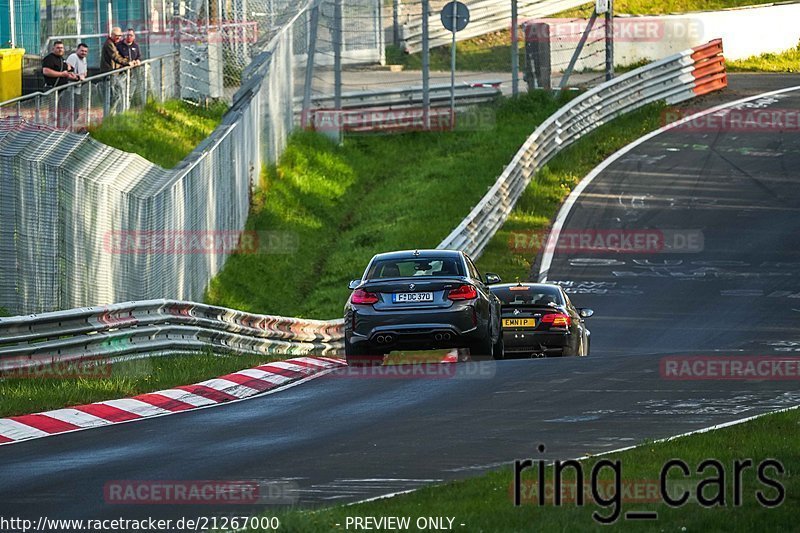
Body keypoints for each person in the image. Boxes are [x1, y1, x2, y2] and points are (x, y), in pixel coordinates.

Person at [100, 28, 131, 114]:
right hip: (109, 73)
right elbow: (115, 56)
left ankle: (114, 114)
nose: (119, 38)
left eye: (120, 36)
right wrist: (127, 63)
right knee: (113, 96)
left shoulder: (114, 43)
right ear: (112, 35)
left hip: (114, 73)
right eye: (117, 36)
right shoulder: (109, 44)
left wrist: (126, 61)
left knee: (116, 95)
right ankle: (110, 115)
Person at [66, 43, 89, 123]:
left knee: (76, 111)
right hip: (69, 89)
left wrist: (82, 76)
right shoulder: (73, 57)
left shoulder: (84, 59)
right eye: (82, 50)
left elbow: (85, 73)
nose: (84, 53)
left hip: (78, 88)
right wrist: (78, 77)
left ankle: (71, 128)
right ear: (77, 50)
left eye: (85, 51)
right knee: (68, 111)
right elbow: (69, 72)